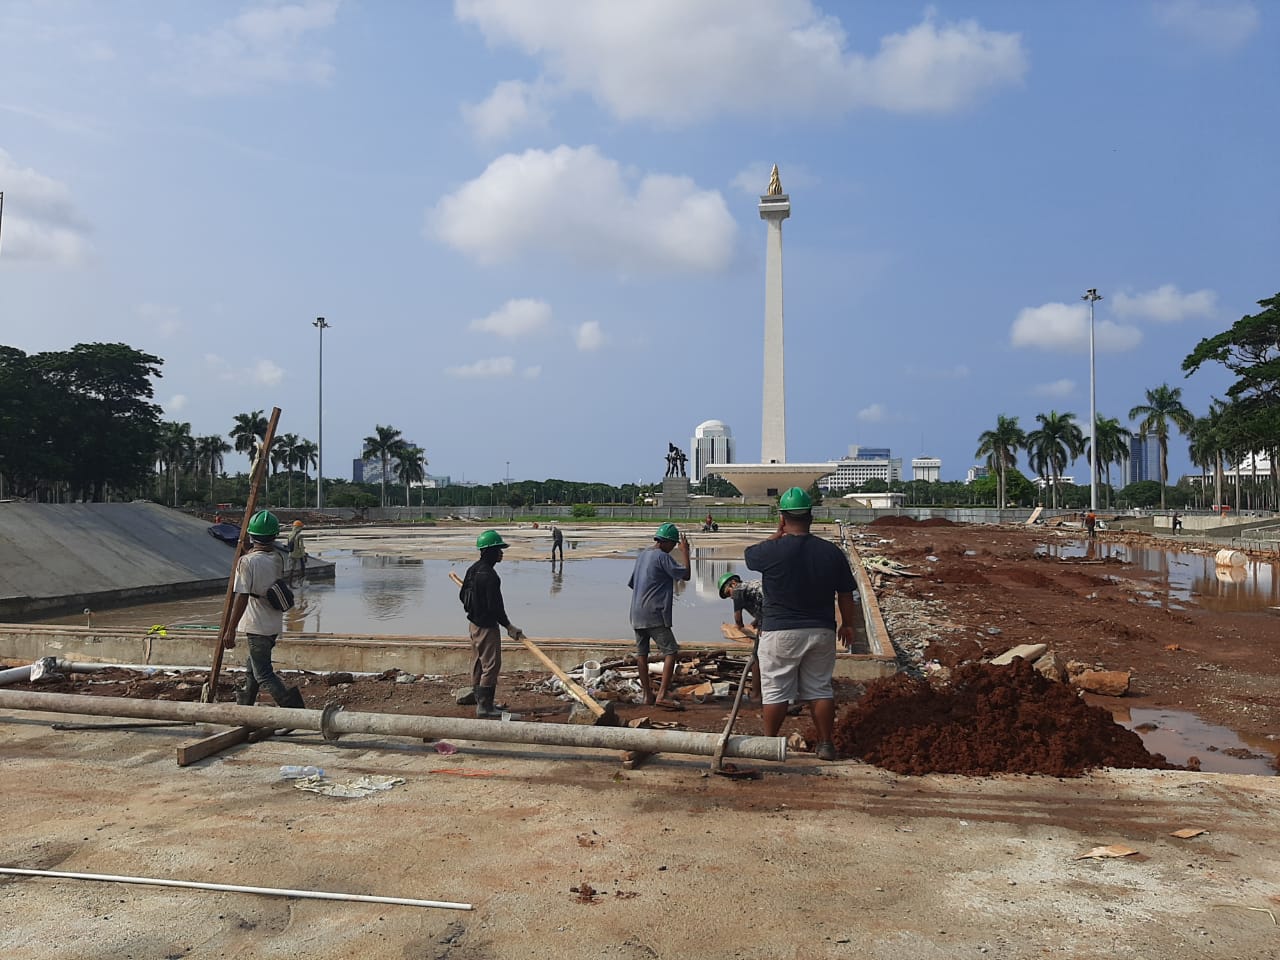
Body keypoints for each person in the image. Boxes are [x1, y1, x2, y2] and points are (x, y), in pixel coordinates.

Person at [745, 487, 857, 762]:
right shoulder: (831, 553)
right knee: (819, 689)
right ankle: (826, 744)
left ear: (782, 518)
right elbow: (845, 594)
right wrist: (847, 625)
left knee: (775, 691)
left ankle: (770, 745)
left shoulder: (771, 551)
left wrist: (776, 534)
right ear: (811, 516)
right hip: (821, 631)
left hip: (780, 632)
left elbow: (750, 555)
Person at [227, 510, 305, 709]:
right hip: (273, 622)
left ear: (252, 537)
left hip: (257, 624)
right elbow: (261, 559)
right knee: (252, 669)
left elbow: (242, 596)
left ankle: (293, 710)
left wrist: (230, 629)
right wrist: (247, 552)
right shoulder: (277, 558)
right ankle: (245, 705)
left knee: (263, 673)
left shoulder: (246, 562)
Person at [460, 529, 525, 719]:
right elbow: (496, 607)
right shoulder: (490, 576)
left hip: (473, 625)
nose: (501, 553)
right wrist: (509, 627)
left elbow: (462, 596)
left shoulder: (472, 569)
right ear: (490, 552)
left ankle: (480, 700)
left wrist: (474, 608)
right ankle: (485, 707)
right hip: (487, 627)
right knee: (491, 666)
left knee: (478, 663)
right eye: (499, 549)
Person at [628, 522, 690, 708]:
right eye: (673, 545)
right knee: (671, 651)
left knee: (642, 654)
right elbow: (685, 575)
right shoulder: (662, 557)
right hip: (654, 612)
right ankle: (662, 695)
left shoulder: (642, 555)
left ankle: (647, 695)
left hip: (636, 613)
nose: (673, 549)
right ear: (665, 543)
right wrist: (685, 551)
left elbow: (633, 583)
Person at [717, 571, 763, 702]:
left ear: (733, 583)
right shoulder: (752, 585)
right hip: (781, 618)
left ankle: (756, 695)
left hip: (771, 622)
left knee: (755, 658)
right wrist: (754, 624)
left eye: (727, 593)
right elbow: (761, 605)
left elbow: (738, 620)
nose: (730, 597)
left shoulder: (738, 590)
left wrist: (738, 629)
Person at [286, 519, 307, 584]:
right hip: (299, 555)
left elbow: (288, 544)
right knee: (302, 569)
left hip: (291, 554)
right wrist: (304, 555)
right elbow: (301, 546)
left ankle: (290, 584)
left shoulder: (289, 535)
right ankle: (301, 583)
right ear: (299, 527)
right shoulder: (299, 536)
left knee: (291, 570)